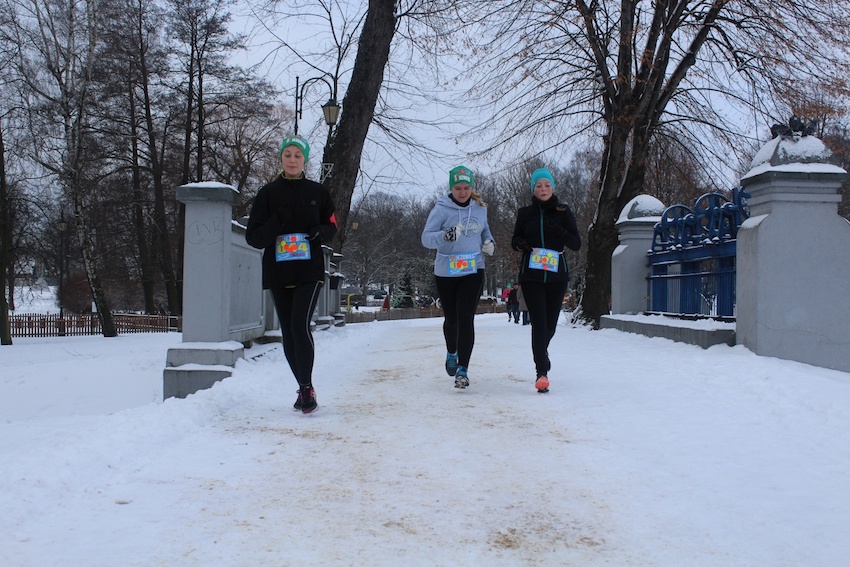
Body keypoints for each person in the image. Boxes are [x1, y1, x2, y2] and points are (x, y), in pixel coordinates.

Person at [245, 135, 337, 413]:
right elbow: (254, 237)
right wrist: (277, 221)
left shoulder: (318, 192)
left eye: (298, 155)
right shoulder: (267, 194)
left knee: (299, 324)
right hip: (279, 270)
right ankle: (303, 387)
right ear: (281, 159)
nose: (293, 160)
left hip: (309, 270)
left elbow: (332, 226)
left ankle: (306, 387)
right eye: (288, 155)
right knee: (288, 331)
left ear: (304, 160)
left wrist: (320, 232)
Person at [421, 165, 495, 389]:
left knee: (466, 318)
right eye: (458, 188)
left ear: (471, 188)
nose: (462, 192)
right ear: (451, 188)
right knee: (452, 319)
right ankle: (451, 352)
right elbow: (426, 239)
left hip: (473, 269)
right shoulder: (441, 210)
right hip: (447, 271)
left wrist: (489, 242)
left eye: (466, 188)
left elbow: (485, 229)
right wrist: (446, 235)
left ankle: (463, 369)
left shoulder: (480, 208)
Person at [511, 167, 581, 393]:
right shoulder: (525, 213)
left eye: (547, 185)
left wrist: (559, 231)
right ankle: (541, 372)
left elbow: (576, 243)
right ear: (533, 189)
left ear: (553, 187)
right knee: (539, 323)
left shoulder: (563, 212)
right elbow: (515, 240)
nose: (543, 189)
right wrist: (521, 244)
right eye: (539, 185)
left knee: (550, 324)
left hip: (556, 276)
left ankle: (542, 352)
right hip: (531, 276)